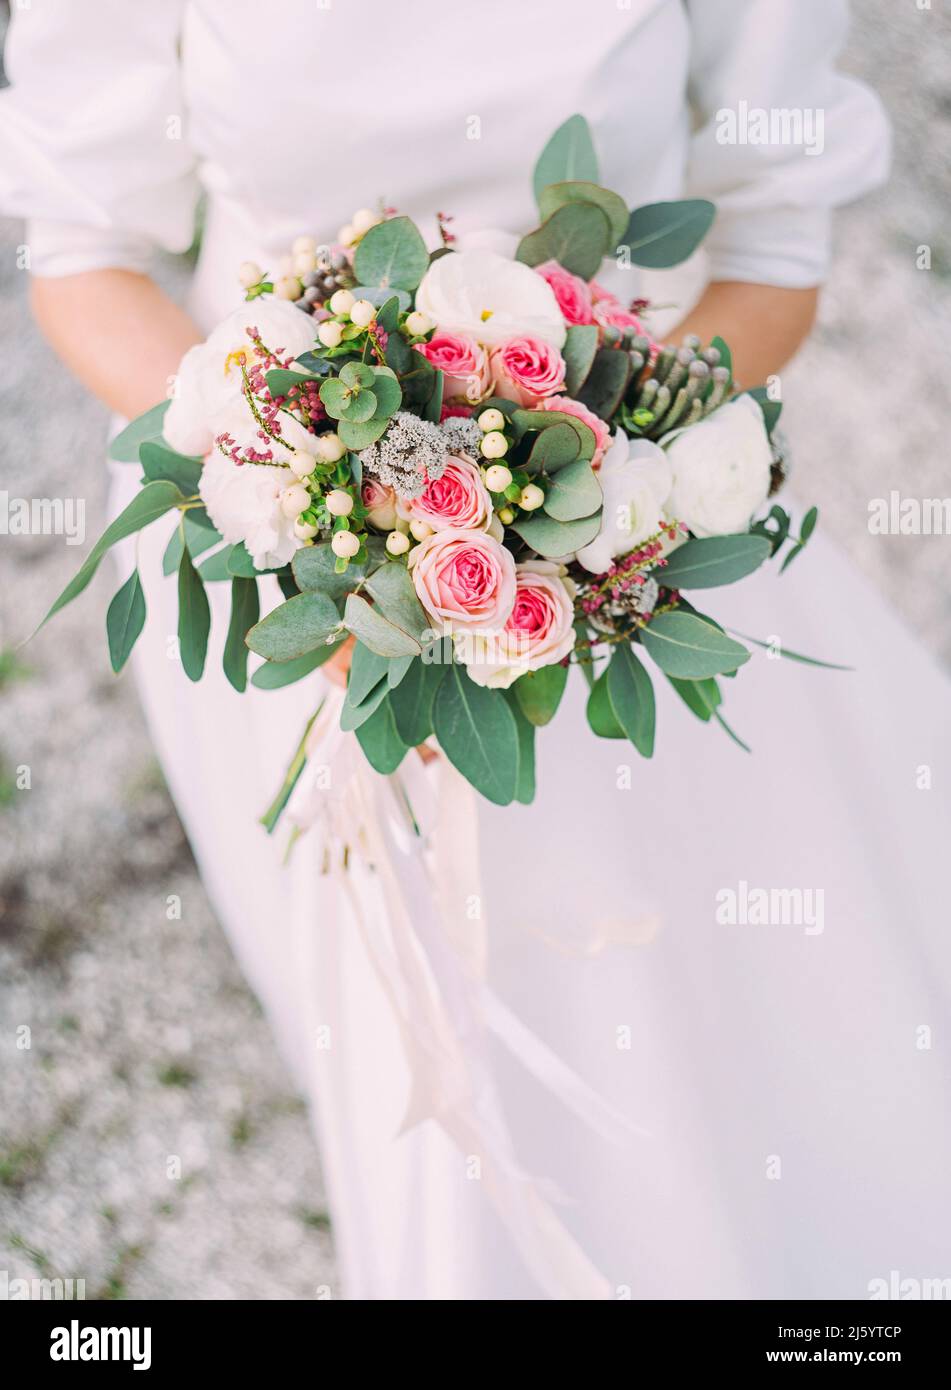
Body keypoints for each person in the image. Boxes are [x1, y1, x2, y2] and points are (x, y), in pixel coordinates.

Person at [3, 0, 949, 1300]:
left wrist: (596, 509)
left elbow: (773, 250)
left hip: (625, 547)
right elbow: (87, 254)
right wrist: (314, 511)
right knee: (421, 1086)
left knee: (741, 1052)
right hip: (291, 556)